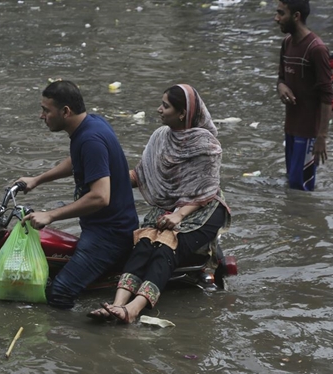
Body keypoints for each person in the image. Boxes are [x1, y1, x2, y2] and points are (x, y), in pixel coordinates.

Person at [90, 85, 230, 324]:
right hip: (169, 206)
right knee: (144, 241)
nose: (159, 110)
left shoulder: (207, 146)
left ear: (182, 113)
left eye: (165, 105)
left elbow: (204, 191)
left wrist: (178, 215)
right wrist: (107, 183)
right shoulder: (160, 137)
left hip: (202, 210)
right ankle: (116, 304)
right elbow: (141, 174)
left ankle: (133, 310)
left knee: (166, 246)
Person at [17, 80, 139, 309]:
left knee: (59, 292)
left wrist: (51, 215)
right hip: (104, 228)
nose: (41, 116)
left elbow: (100, 196)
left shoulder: (90, 138)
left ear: (65, 111)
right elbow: (77, 160)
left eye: (46, 110)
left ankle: (72, 340)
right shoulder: (90, 125)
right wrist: (37, 180)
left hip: (109, 236)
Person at [275, 0, 333, 192]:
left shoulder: (316, 49)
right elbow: (281, 78)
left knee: (302, 188)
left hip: (308, 133)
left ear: (296, 16)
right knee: (291, 182)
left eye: (281, 13)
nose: (277, 19)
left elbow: (327, 96)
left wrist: (321, 137)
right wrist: (281, 87)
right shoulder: (287, 44)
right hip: (290, 128)